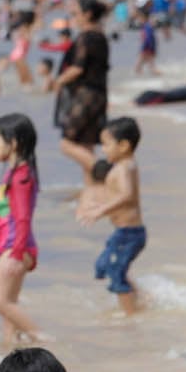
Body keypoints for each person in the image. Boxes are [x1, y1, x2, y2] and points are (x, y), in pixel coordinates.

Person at [0, 112, 42, 346]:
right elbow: (4, 217)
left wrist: (17, 253)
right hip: (13, 246)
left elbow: (22, 219)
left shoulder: (21, 178)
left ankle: (45, 341)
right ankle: (11, 349)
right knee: (9, 308)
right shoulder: (14, 173)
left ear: (13, 144)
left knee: (0, 302)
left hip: (16, 247)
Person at [78, 117, 146, 314]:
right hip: (125, 233)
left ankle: (131, 316)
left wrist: (101, 210)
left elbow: (127, 195)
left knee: (115, 271)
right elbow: (119, 195)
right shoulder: (125, 166)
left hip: (129, 234)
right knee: (107, 265)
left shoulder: (124, 168)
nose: (103, 150)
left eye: (106, 144)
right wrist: (98, 204)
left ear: (123, 145)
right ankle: (140, 299)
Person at [47, 0, 111, 173]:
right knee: (86, 145)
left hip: (85, 95)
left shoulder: (85, 37)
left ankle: (106, 172)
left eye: (76, 14)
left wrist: (57, 81)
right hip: (100, 94)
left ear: (87, 14)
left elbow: (77, 68)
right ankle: (93, 187)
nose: (73, 18)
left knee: (67, 144)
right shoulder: (101, 36)